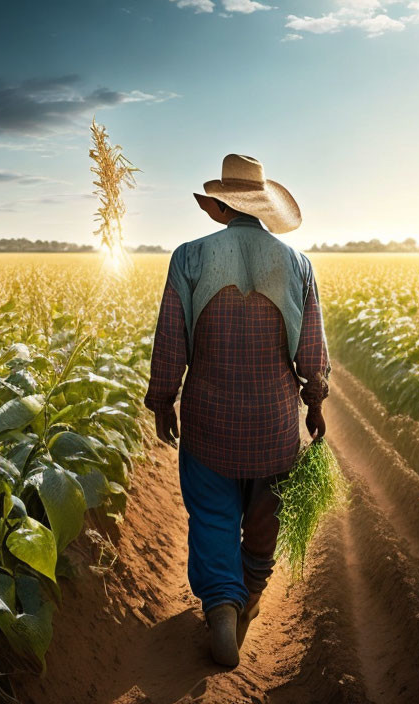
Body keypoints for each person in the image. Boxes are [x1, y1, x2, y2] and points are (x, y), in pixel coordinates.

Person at [144, 154, 330, 668]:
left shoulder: (189, 258)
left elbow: (169, 343)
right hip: (274, 426)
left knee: (212, 512)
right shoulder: (297, 264)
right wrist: (314, 406)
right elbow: (312, 355)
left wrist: (163, 400)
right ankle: (248, 591)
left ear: (221, 206)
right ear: (261, 207)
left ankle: (221, 606)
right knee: (265, 515)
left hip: (208, 421)